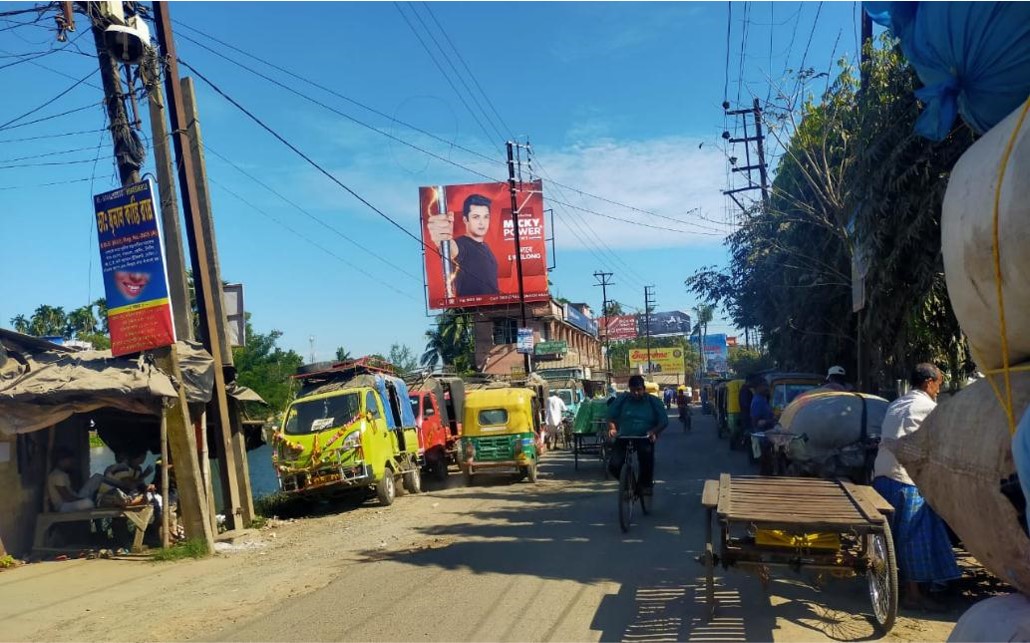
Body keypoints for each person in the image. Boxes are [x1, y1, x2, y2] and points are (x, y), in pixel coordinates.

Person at [872, 363, 959, 611]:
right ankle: (913, 594)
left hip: (882, 476)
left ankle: (896, 582)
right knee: (914, 535)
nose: (938, 390)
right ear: (928, 383)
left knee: (893, 534)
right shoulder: (928, 408)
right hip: (906, 480)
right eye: (939, 385)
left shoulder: (896, 404)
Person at [425, 194, 499, 297]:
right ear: (465, 219)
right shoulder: (461, 244)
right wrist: (442, 240)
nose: (482, 223)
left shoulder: (485, 246)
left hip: (496, 308)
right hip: (472, 310)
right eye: (476, 217)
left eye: (486, 217)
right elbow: (451, 249)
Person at [607, 375, 668, 495]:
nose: (636, 393)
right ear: (629, 389)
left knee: (646, 457)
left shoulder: (653, 401)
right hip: (624, 436)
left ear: (644, 389)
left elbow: (664, 421)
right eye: (633, 390)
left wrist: (654, 431)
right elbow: (610, 415)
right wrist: (612, 428)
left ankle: (645, 486)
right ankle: (628, 483)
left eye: (639, 389)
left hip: (644, 437)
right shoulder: (622, 399)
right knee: (613, 465)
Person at [47, 447, 104, 513]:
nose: (71, 463)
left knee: (97, 477)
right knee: (88, 503)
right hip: (63, 506)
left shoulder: (63, 473)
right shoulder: (57, 475)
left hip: (74, 499)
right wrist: (84, 499)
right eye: (69, 461)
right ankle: (96, 501)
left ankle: (116, 489)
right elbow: (67, 498)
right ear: (61, 461)